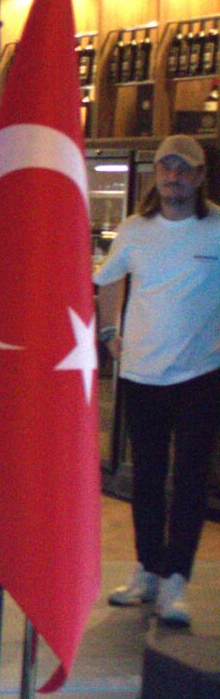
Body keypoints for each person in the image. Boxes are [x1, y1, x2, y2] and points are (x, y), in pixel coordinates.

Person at [97, 133, 220, 627]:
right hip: (141, 373)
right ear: (156, 175)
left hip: (200, 374)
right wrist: (109, 333)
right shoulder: (134, 229)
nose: (174, 176)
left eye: (184, 168)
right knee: (145, 476)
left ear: (199, 176)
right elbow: (109, 279)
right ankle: (148, 569)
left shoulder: (216, 229)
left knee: (189, 478)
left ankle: (176, 580)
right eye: (167, 167)